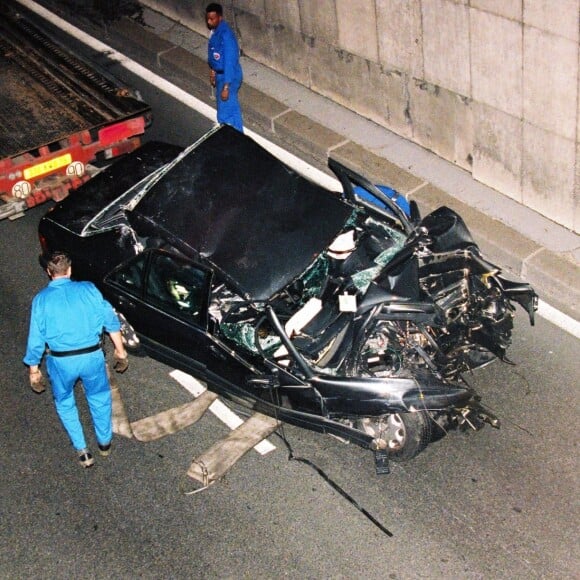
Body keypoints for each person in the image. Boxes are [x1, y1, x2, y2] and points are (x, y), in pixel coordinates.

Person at [23, 251, 129, 468]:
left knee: (64, 402)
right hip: (92, 357)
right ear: (70, 270)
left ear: (48, 272)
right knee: (99, 397)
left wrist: (34, 370)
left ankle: (83, 450)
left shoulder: (41, 300)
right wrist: (120, 351)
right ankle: (104, 443)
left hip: (61, 362)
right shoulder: (89, 289)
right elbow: (111, 322)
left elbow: (36, 340)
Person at [206, 2, 244, 132]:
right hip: (220, 74)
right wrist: (213, 71)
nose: (209, 22)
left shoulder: (226, 36)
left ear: (220, 17)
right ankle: (238, 135)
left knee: (225, 112)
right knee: (231, 109)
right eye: (208, 19)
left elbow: (229, 62)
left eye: (212, 19)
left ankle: (232, 136)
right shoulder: (215, 32)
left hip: (229, 76)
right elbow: (214, 54)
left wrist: (226, 87)